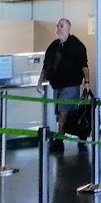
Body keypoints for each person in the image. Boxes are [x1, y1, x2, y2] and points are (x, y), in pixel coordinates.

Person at [39, 18, 89, 152]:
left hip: (71, 85)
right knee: (61, 113)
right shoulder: (53, 46)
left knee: (64, 111)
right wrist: (40, 81)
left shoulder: (76, 45)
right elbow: (46, 65)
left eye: (61, 26)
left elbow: (84, 66)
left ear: (68, 28)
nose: (58, 28)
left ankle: (59, 139)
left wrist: (87, 82)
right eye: (57, 26)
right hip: (57, 85)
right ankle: (75, 135)